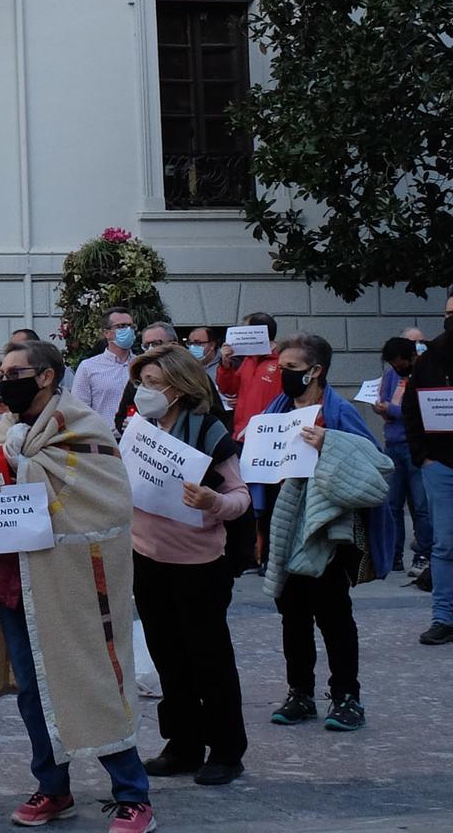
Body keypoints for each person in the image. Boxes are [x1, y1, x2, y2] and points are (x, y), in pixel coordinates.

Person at [0, 339, 153, 833]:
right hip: (15, 582)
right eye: (0, 374)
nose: (3, 382)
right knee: (33, 689)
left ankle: (133, 794)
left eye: (14, 372)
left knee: (93, 678)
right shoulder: (5, 429)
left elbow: (106, 501)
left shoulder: (83, 427)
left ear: (46, 376)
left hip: (71, 582)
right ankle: (53, 787)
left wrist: (21, 473)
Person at [126, 344, 250, 785]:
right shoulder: (139, 429)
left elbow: (241, 497)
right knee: (168, 657)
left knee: (208, 659)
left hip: (198, 565)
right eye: (142, 383)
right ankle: (182, 744)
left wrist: (214, 500)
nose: (144, 391)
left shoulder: (208, 431)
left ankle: (226, 750)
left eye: (154, 384)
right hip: (148, 560)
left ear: (179, 388)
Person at [263, 333, 391, 732]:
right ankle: (299, 692)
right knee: (292, 614)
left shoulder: (339, 413)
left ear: (315, 371)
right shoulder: (278, 409)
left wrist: (330, 443)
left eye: (292, 369)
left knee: (334, 614)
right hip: (287, 525)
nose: (283, 375)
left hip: (330, 529)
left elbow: (376, 464)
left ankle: (347, 697)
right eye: (281, 368)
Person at [404, 293, 453, 646]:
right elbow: (411, 409)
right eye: (449, 312)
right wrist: (423, 455)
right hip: (441, 465)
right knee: (445, 545)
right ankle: (444, 617)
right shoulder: (430, 359)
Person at [374, 337, 430, 585]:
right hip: (393, 444)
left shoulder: (422, 373)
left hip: (414, 445)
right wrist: (381, 408)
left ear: (409, 358)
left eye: (400, 363)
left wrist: (392, 410)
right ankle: (394, 556)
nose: (397, 367)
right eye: (393, 364)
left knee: (420, 506)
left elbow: (415, 409)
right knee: (392, 505)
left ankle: (423, 554)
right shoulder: (389, 376)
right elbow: (386, 401)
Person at [217, 312, 282, 441]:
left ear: (258, 332)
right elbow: (229, 389)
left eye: (244, 330)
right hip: (241, 434)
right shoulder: (249, 359)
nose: (240, 335)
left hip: (267, 435)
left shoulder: (282, 362)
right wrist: (225, 364)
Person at [71, 307, 138, 422]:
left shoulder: (141, 365)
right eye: (121, 326)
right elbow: (79, 409)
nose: (128, 330)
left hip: (138, 436)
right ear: (107, 333)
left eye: (130, 326)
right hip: (104, 437)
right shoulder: (88, 367)